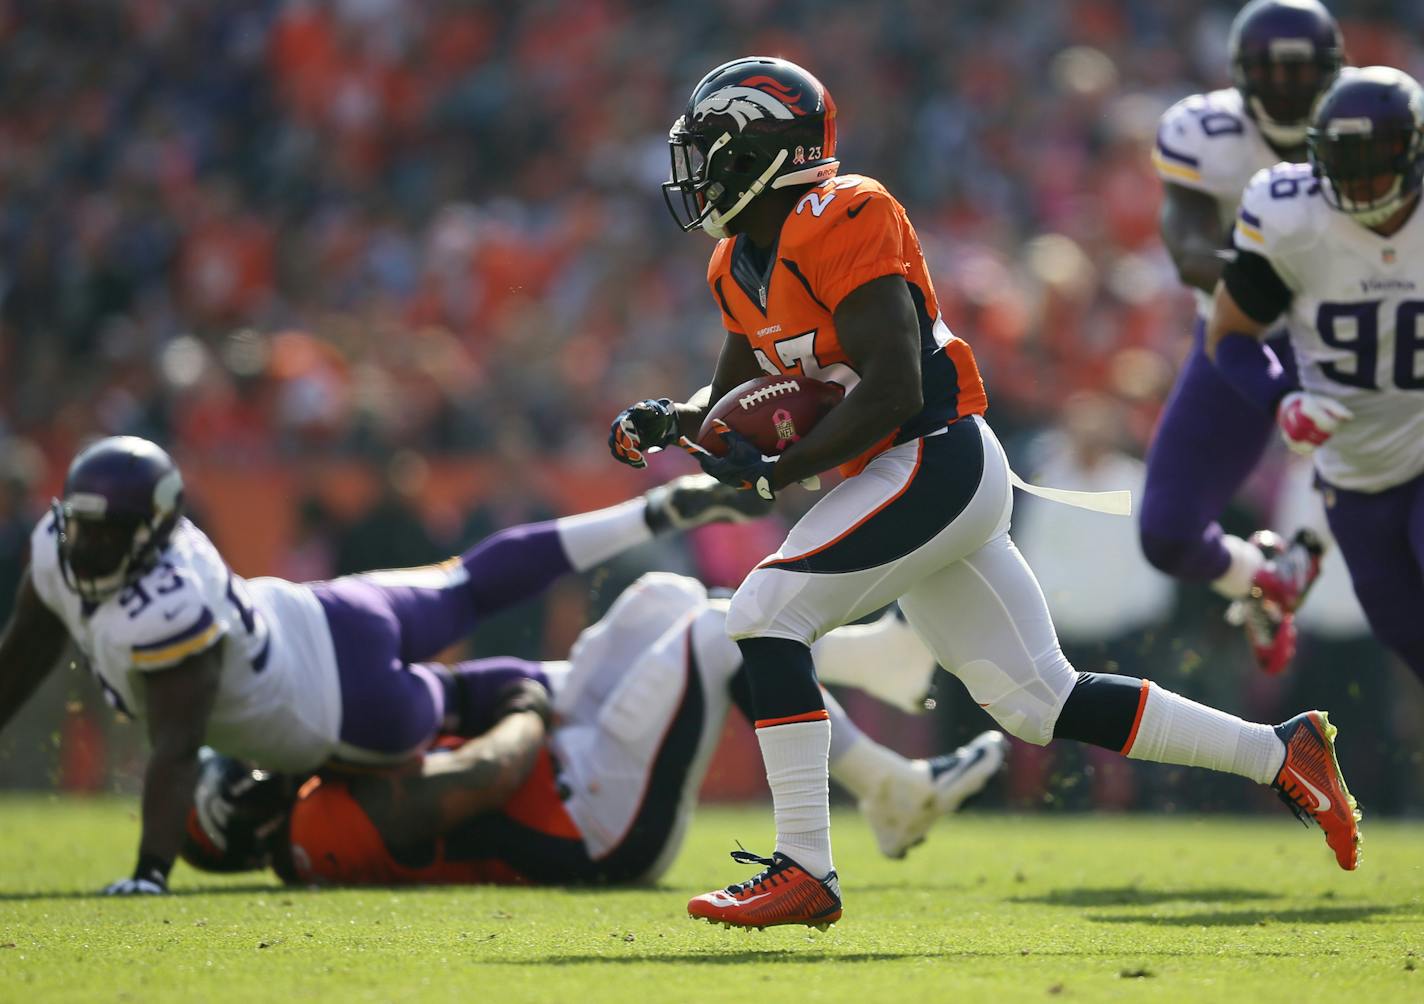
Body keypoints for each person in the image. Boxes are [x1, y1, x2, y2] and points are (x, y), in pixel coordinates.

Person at [608, 55, 1362, 931]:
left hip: (935, 456)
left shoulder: (847, 212)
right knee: (1041, 701)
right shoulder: (738, 262)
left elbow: (889, 387)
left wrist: (776, 470)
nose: (698, 170)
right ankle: (1281, 753)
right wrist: (675, 422)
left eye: (713, 148)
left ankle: (805, 865)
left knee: (764, 613)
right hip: (903, 479)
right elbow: (735, 394)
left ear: (765, 151)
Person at [0, 435, 769, 895]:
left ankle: (660, 540)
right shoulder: (137, 554)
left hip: (352, 707)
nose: (81, 542)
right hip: (328, 613)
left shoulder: (171, 606)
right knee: (479, 583)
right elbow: (29, 662)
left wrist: (151, 871)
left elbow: (172, 747)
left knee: (526, 678)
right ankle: (655, 510)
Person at [180, 572, 1011, 891]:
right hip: (590, 825)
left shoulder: (315, 789)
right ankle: (889, 787)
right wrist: (523, 707)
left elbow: (454, 702)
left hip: (568, 769)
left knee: (660, 594)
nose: (261, 763)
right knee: (714, 634)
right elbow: (485, 777)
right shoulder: (317, 829)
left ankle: (870, 669)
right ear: (238, 813)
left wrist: (503, 696)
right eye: (243, 776)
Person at [1141, 0, 1344, 674]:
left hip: (1357, 333)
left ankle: (1303, 558)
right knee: (1167, 534)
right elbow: (1190, 249)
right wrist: (1277, 275)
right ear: (1240, 75)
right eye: (1271, 72)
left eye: (1301, 73)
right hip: (1242, 331)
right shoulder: (1208, 133)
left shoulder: (1368, 124)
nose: (1286, 88)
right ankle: (1265, 576)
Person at [1205, 65, 1424, 685]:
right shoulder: (1290, 214)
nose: (1358, 185)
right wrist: (1284, 400)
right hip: (1353, 472)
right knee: (1400, 625)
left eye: (1374, 164)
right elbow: (1231, 336)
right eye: (1343, 164)